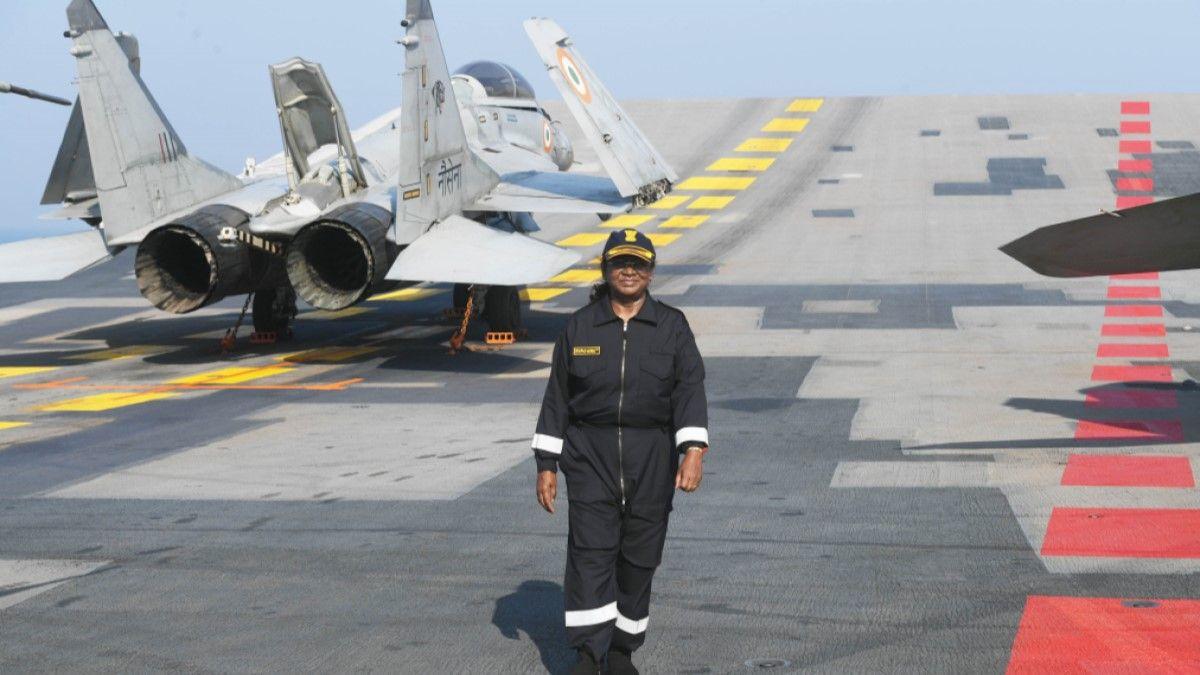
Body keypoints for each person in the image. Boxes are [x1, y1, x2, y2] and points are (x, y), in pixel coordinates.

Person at [530, 228, 710, 675]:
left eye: (638, 263)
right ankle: (590, 653)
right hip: (590, 454)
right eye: (619, 263)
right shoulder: (581, 326)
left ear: (650, 271)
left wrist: (693, 449)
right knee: (590, 552)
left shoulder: (672, 326)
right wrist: (547, 464)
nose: (629, 271)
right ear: (606, 269)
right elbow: (557, 397)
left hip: (652, 455)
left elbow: (690, 389)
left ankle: (621, 649)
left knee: (640, 556)